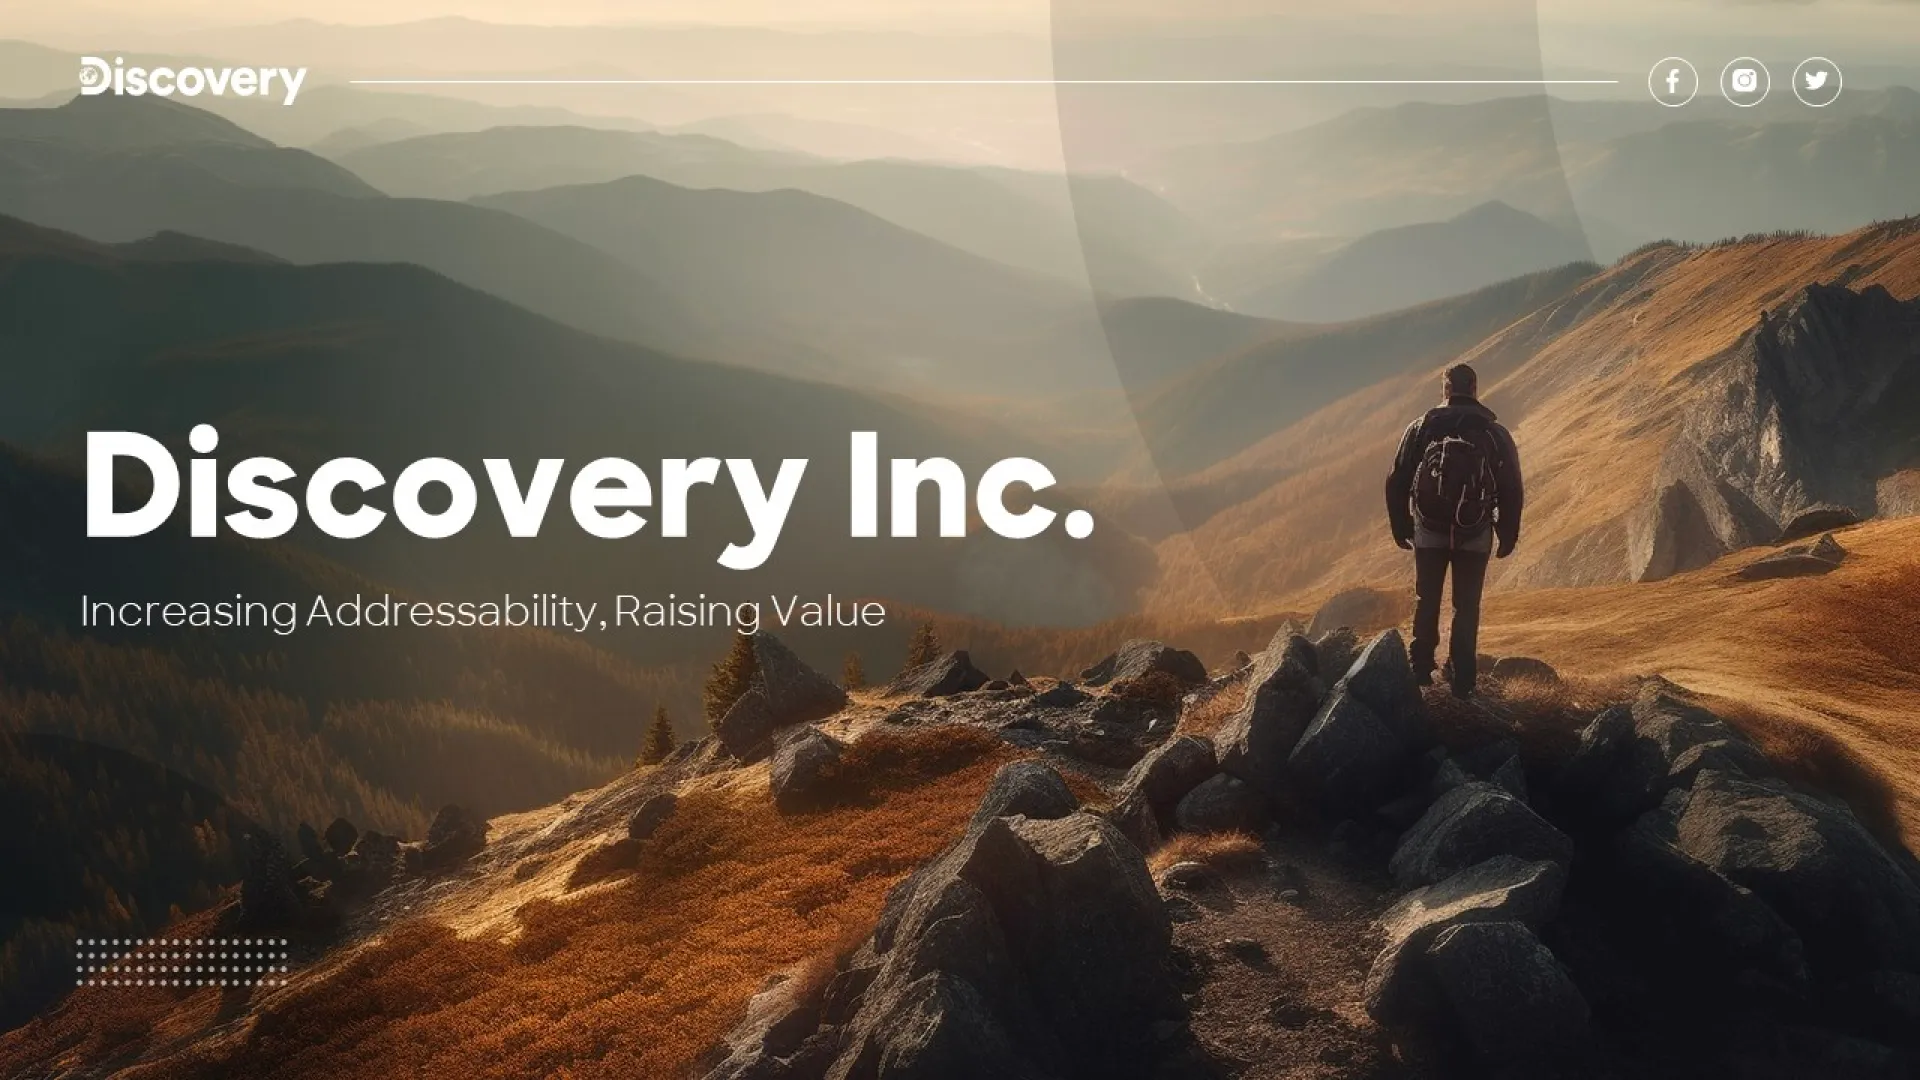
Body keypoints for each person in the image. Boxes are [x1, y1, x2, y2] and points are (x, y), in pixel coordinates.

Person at [1384, 363, 1523, 698]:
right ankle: (1463, 680)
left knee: (1426, 597)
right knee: (1467, 605)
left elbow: (1397, 479)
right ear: (1474, 388)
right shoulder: (1494, 433)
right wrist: (1508, 532)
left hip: (1429, 530)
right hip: (1474, 533)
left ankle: (1420, 671)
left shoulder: (1420, 428)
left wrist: (1401, 525)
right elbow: (1511, 487)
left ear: (1444, 389)